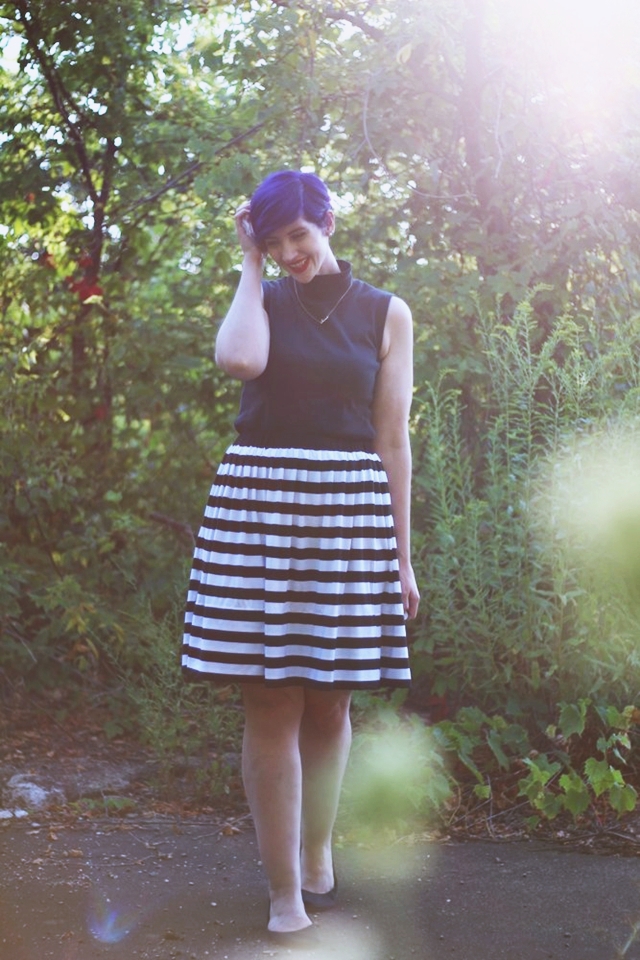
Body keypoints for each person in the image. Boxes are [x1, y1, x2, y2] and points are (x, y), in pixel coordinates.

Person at [182, 170, 419, 944]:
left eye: (299, 236)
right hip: (258, 508)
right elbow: (239, 363)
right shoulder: (264, 299)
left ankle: (317, 852)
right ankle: (285, 892)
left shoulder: (386, 312)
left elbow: (393, 441)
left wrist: (402, 558)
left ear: (328, 222)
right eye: (274, 240)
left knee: (331, 701)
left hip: (349, 512)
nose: (291, 252)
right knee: (271, 702)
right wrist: (248, 262)